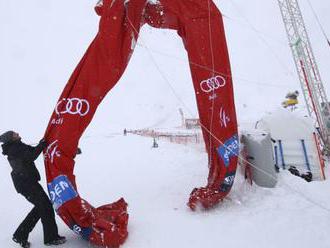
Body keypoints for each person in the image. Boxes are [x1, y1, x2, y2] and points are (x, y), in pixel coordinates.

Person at [0, 131, 66, 248]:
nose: (17, 133)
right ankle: (51, 238)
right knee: (45, 207)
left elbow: (32, 151)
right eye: (14, 134)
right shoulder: (14, 148)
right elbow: (31, 156)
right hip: (26, 184)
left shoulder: (18, 146)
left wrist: (42, 144)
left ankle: (20, 234)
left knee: (41, 207)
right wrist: (41, 145)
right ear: (11, 138)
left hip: (27, 182)